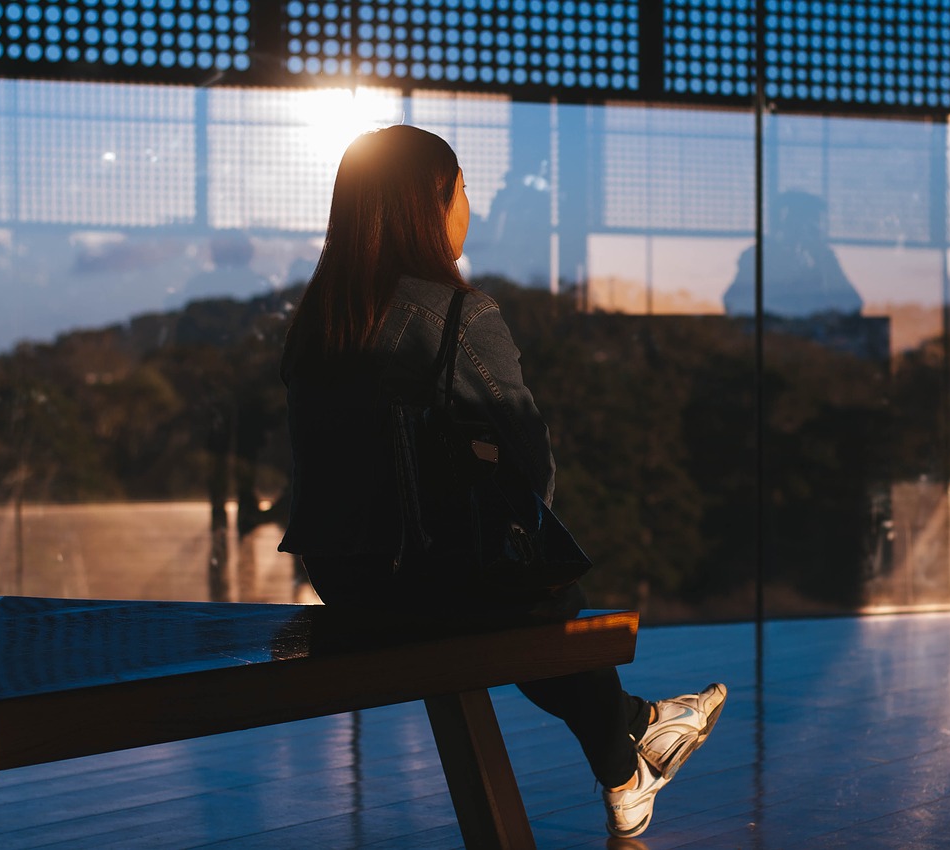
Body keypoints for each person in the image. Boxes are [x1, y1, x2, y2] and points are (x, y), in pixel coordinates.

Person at [276, 124, 726, 839]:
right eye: (462, 188)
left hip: (344, 578)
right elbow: (530, 465)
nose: (471, 207)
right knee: (537, 594)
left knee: (511, 601)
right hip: (429, 580)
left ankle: (640, 737)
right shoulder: (456, 313)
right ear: (430, 203)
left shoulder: (320, 323)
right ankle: (631, 747)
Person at [723, 190, 862, 317]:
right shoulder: (757, 256)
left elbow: (852, 304)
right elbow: (735, 303)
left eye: (815, 225)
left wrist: (825, 260)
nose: (813, 230)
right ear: (784, 224)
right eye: (806, 223)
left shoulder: (823, 258)